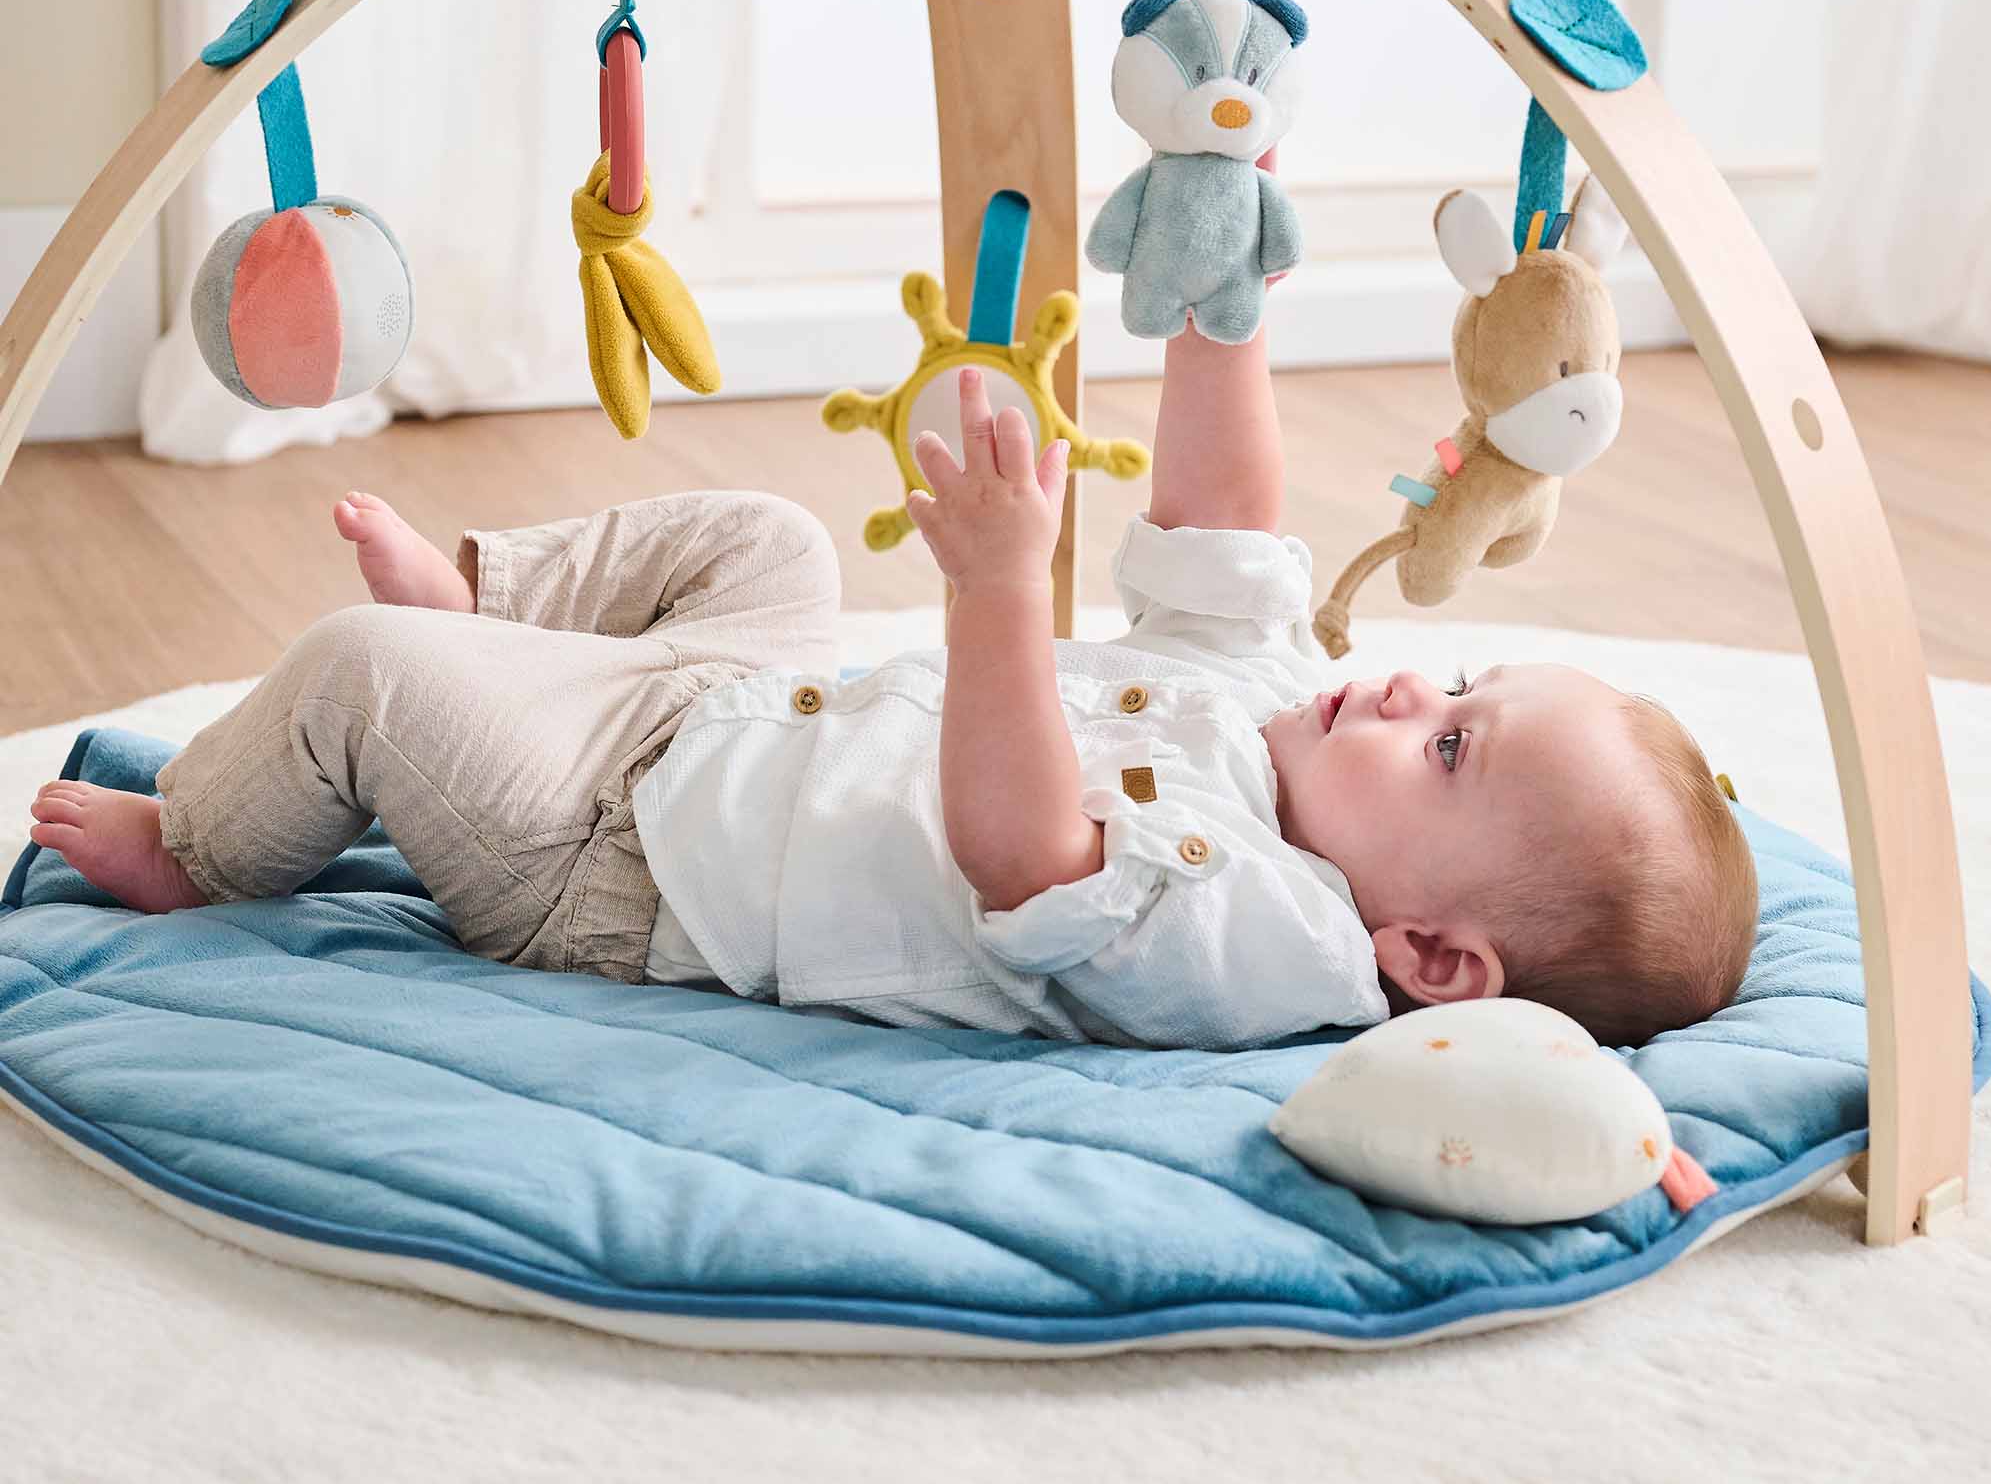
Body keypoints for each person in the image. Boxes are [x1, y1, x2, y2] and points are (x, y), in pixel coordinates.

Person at [27, 319, 1756, 1050]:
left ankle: (205, 843)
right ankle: (505, 608)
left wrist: (1001, 589)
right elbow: (1223, 522)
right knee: (769, 541)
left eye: (1448, 746)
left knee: (364, 676)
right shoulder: (1279, 706)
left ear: (1432, 958)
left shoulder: (1272, 936)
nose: (1400, 692)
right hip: (734, 719)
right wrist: (1224, 307)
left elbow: (1023, 851)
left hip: (624, 868)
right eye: (1451, 682)